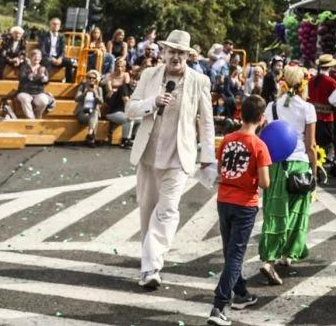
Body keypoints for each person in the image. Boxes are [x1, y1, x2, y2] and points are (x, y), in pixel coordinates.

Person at [125, 29, 216, 290]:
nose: (175, 56)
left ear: (188, 55)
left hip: (179, 158)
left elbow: (206, 123)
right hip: (148, 155)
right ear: (163, 53)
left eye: (181, 52)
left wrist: (207, 157)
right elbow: (130, 109)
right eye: (171, 51)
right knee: (146, 209)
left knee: (167, 211)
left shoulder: (200, 81)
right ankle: (148, 255)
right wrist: (152, 102)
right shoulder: (149, 75)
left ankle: (151, 267)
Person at [207, 95, 270, 326]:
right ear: (262, 118)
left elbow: (221, 169)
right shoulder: (259, 145)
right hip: (245, 204)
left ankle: (241, 292)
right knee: (235, 255)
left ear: (240, 114)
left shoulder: (226, 139)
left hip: (224, 199)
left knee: (229, 251)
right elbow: (264, 183)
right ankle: (219, 305)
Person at [258, 64, 319, 285]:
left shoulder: (271, 106)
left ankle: (273, 257)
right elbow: (311, 145)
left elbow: (263, 135)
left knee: (275, 212)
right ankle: (283, 255)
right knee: (297, 211)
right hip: (299, 165)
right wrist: (314, 173)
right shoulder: (307, 109)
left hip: (275, 164)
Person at [308, 54, 336, 166]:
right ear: (330, 67)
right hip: (327, 120)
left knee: (313, 145)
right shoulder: (331, 82)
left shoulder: (311, 80)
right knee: (326, 147)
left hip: (312, 119)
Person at [104, 58, 136, 147]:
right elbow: (109, 92)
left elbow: (126, 87)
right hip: (112, 103)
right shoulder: (109, 76)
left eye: (122, 66)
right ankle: (125, 140)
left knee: (139, 119)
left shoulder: (126, 75)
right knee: (129, 118)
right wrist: (114, 90)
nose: (119, 68)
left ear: (125, 67)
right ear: (114, 66)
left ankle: (132, 138)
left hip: (122, 102)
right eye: (118, 65)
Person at [16, 49, 55, 118]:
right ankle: (32, 120)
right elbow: (21, 79)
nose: (37, 59)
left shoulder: (43, 68)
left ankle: (37, 116)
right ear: (30, 57)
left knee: (44, 101)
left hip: (38, 92)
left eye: (39, 57)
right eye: (35, 57)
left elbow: (46, 82)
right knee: (25, 99)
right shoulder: (24, 67)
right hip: (25, 92)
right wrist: (30, 76)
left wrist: (44, 78)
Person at [74, 70, 107, 147]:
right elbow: (76, 99)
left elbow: (101, 102)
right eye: (89, 78)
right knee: (95, 117)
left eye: (94, 78)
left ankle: (90, 135)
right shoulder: (82, 87)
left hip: (92, 112)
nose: (91, 80)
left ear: (96, 79)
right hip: (82, 112)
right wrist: (84, 93)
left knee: (95, 113)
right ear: (86, 78)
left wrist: (96, 95)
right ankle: (91, 138)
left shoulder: (99, 89)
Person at [40, 18, 77, 83]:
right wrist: (51, 58)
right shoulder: (44, 36)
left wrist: (60, 58)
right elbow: (42, 50)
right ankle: (45, 82)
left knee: (68, 62)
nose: (56, 26)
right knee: (46, 63)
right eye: (54, 24)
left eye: (57, 24)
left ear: (59, 26)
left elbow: (63, 50)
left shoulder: (61, 36)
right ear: (50, 25)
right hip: (47, 57)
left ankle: (68, 83)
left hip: (58, 58)